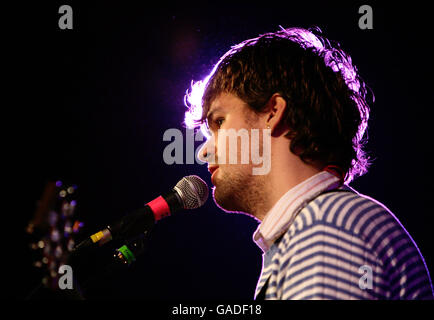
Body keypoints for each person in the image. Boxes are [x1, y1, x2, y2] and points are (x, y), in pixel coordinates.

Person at [184, 27, 433, 300]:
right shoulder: (317, 225)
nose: (204, 152)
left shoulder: (328, 226)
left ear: (273, 112)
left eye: (219, 122)